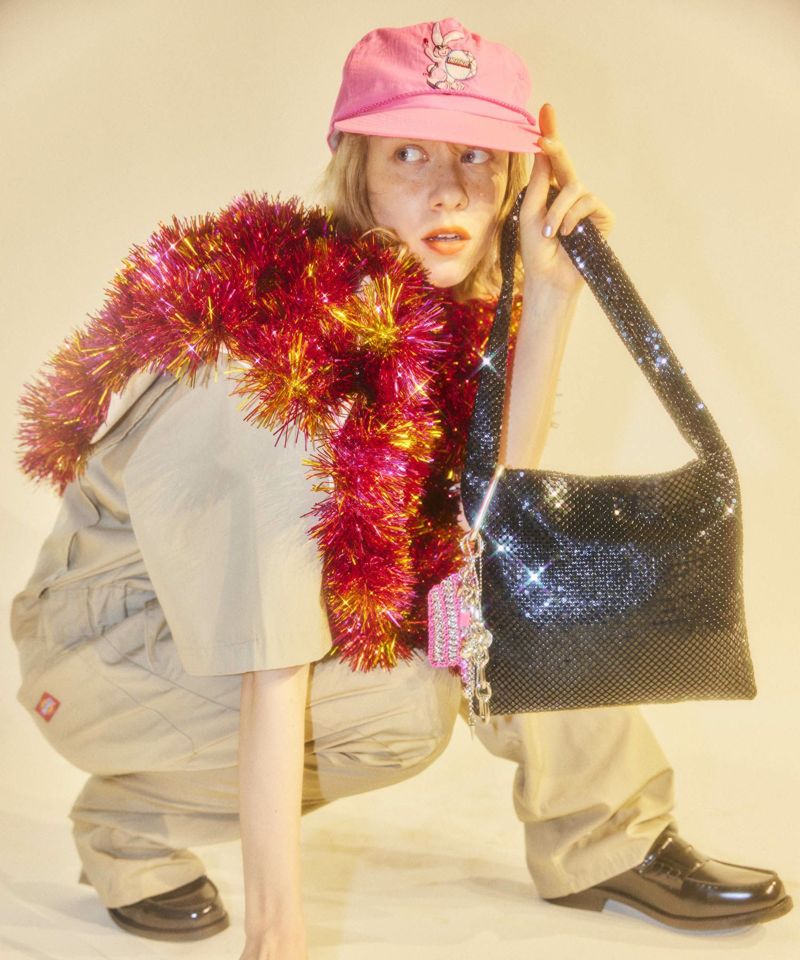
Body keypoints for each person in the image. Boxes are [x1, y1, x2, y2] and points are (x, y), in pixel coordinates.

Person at [9, 17, 792, 960]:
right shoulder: (276, 369)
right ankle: (131, 820)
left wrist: (550, 293)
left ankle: (605, 840)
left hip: (226, 621)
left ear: (519, 177)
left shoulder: (419, 313)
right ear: (358, 172)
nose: (449, 188)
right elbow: (269, 661)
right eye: (410, 153)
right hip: (115, 650)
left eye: (477, 155)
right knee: (407, 707)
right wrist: (278, 936)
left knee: (507, 584)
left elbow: (493, 523)